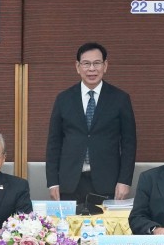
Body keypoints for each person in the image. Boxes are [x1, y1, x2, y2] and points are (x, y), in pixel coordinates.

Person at [46, 42, 137, 202]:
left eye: (97, 63)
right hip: (69, 183)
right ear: (78, 67)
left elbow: (129, 144)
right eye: (86, 64)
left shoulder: (120, 99)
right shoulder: (63, 99)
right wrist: (52, 182)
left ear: (105, 65)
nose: (92, 69)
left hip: (108, 183)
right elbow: (54, 143)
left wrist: (124, 180)